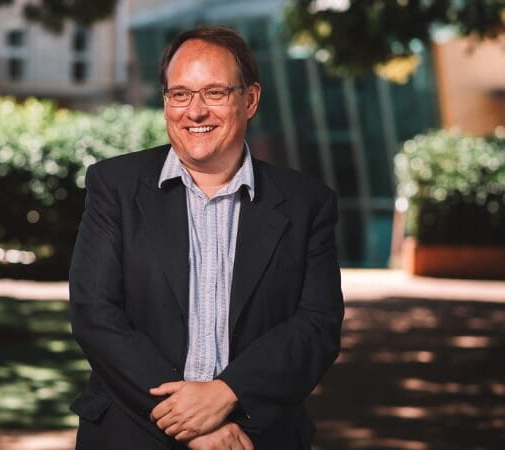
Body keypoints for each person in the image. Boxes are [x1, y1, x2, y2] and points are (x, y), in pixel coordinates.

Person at [68, 26, 343, 450]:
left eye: (214, 93)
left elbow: (316, 326)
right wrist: (195, 423)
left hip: (254, 438)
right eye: (180, 94)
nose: (194, 112)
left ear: (250, 100)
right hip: (131, 434)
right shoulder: (115, 187)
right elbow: (95, 313)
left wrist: (228, 392)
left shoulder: (307, 204)